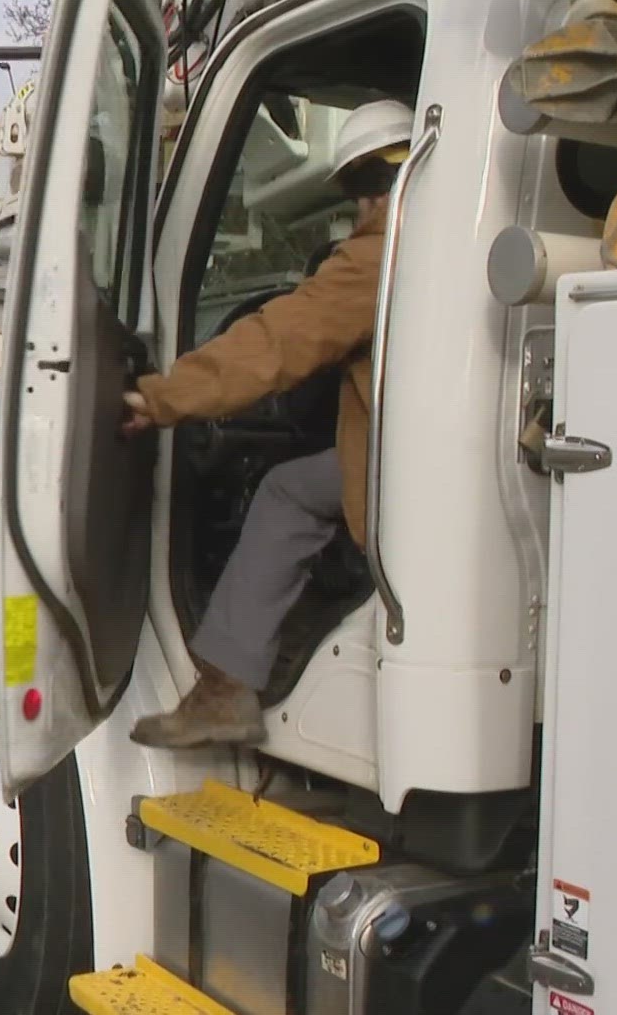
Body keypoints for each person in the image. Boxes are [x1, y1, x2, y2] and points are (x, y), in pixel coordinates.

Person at [121, 98, 414, 748]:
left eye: (367, 190)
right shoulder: (471, 233)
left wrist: (163, 398)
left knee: (284, 492)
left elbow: (277, 341)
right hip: (464, 464)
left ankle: (225, 689)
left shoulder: (383, 254)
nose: (364, 208)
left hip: (411, 473)